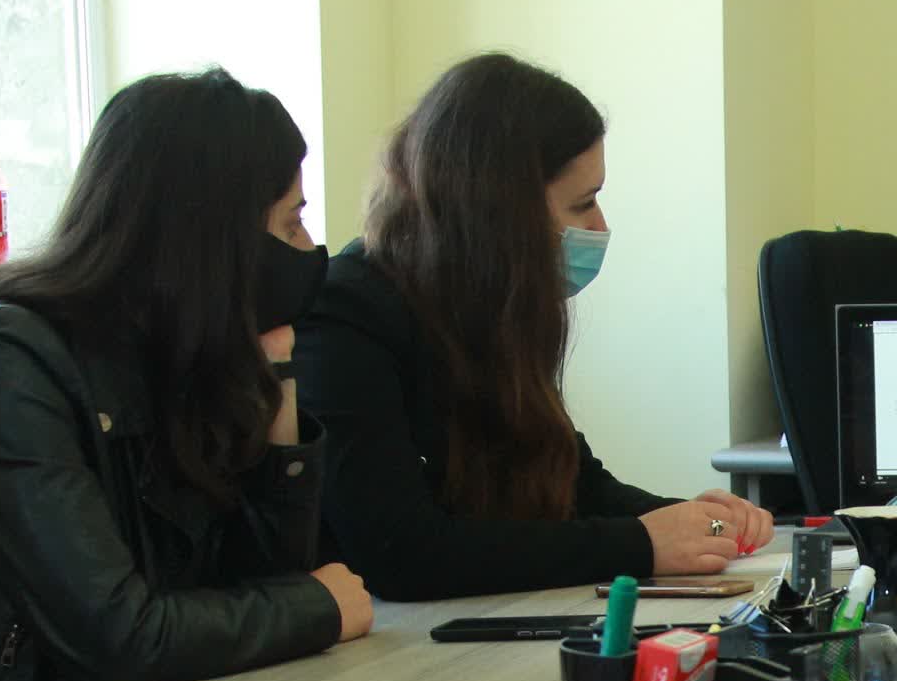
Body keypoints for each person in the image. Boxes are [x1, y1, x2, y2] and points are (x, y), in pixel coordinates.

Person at [0, 69, 373, 681]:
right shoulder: (3, 362)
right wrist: (318, 609)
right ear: (212, 239)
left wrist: (276, 380)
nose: (310, 250)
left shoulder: (176, 358)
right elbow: (120, 633)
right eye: (291, 222)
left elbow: (257, 584)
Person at [294, 53, 774, 601]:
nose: (600, 226)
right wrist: (640, 543)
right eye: (583, 203)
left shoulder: (496, 312)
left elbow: (578, 483)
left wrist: (691, 521)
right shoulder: (343, 317)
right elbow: (401, 554)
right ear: (501, 214)